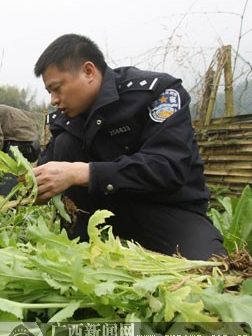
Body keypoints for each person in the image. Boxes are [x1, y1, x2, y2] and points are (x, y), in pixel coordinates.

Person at [32, 33, 226, 260]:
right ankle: (78, 246)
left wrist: (82, 172)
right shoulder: (68, 119)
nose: (54, 100)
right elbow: (44, 171)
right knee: (64, 144)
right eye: (49, 92)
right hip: (104, 214)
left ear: (88, 71)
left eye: (57, 88)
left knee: (209, 268)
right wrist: (33, 187)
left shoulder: (154, 93)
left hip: (165, 209)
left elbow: (167, 167)